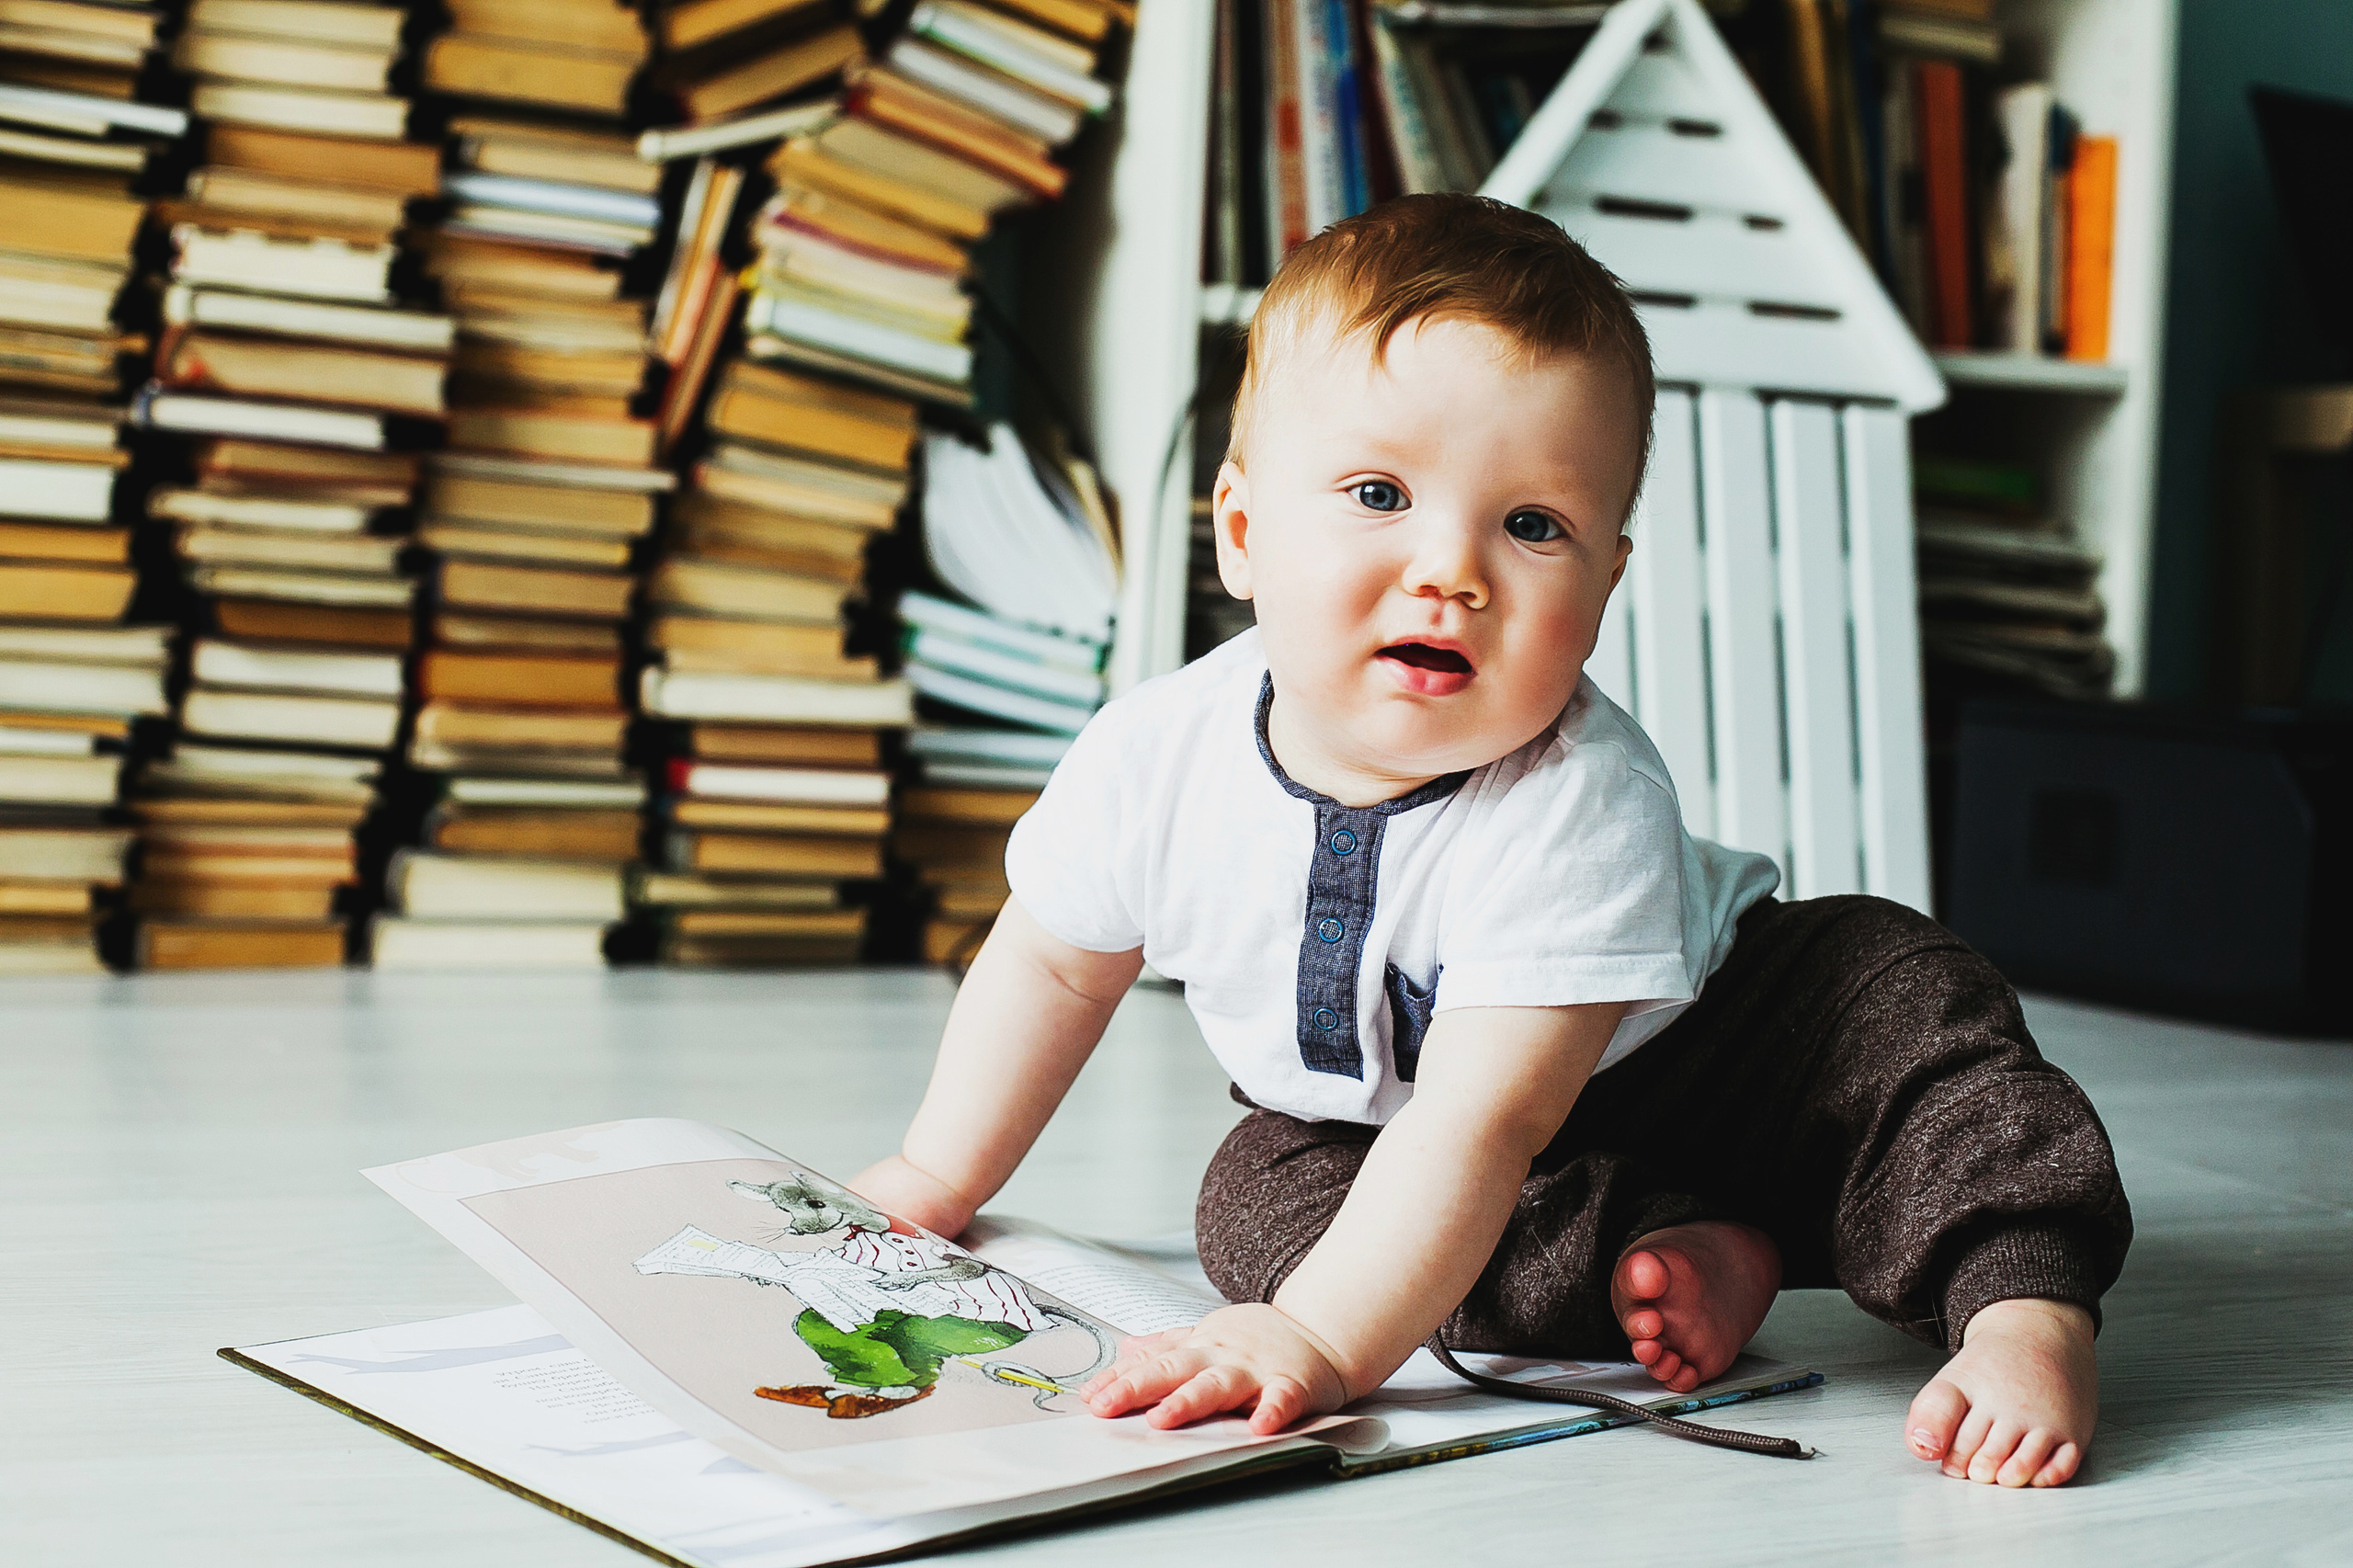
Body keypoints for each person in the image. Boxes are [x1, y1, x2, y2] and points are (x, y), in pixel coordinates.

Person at [850, 193, 2130, 1488]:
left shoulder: (1578, 798)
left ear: (1604, 583)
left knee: (1909, 1001)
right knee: (1255, 1201)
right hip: (1419, 1125)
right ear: (1241, 531)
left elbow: (1480, 1121)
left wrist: (1318, 1339)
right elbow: (1056, 965)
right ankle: (1689, 1244)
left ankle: (2023, 1308)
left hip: (1719, 1051)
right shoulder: (1154, 757)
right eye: (1378, 493)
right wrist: (935, 1171)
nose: (1451, 569)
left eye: (1532, 526)